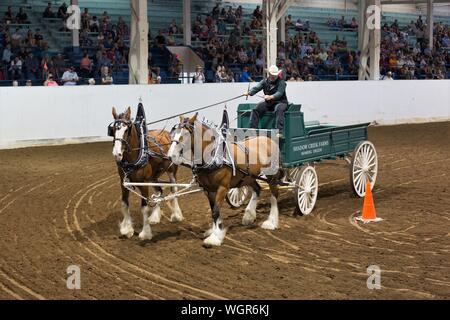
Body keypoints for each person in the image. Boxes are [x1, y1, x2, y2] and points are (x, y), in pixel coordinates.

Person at [244, 65, 288, 137]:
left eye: (275, 75)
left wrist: (271, 96)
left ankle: (279, 131)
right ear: (269, 74)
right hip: (269, 103)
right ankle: (252, 130)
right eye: (272, 75)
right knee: (256, 109)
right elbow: (256, 88)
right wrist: (249, 93)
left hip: (281, 102)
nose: (274, 77)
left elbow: (279, 93)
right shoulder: (264, 81)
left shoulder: (282, 82)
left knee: (279, 109)